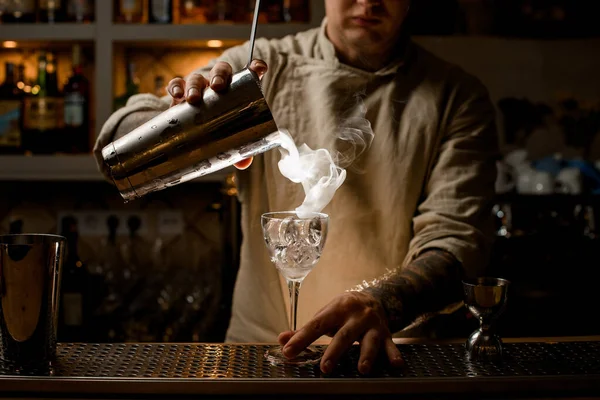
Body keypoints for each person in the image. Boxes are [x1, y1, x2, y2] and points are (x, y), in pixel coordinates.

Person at [94, 0, 498, 376]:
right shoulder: (260, 68)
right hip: (256, 353)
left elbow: (456, 243)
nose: (369, 0)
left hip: (385, 354)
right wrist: (180, 119)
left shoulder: (457, 98)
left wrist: (383, 302)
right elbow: (115, 145)